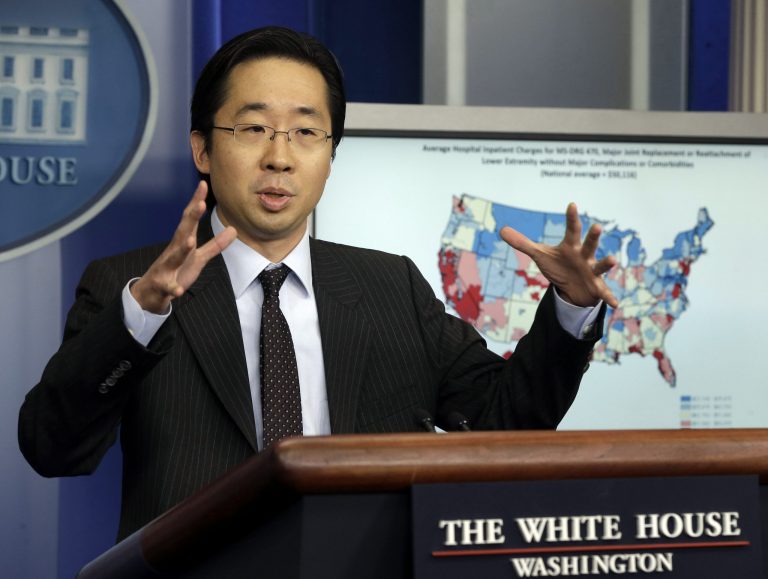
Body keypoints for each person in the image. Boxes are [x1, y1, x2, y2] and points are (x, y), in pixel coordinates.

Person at [18, 26, 617, 541]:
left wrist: (570, 310)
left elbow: (504, 424)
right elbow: (53, 448)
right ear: (202, 148)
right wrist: (141, 319)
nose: (280, 157)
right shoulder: (132, 286)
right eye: (253, 129)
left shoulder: (390, 287)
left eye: (306, 133)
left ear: (332, 153)